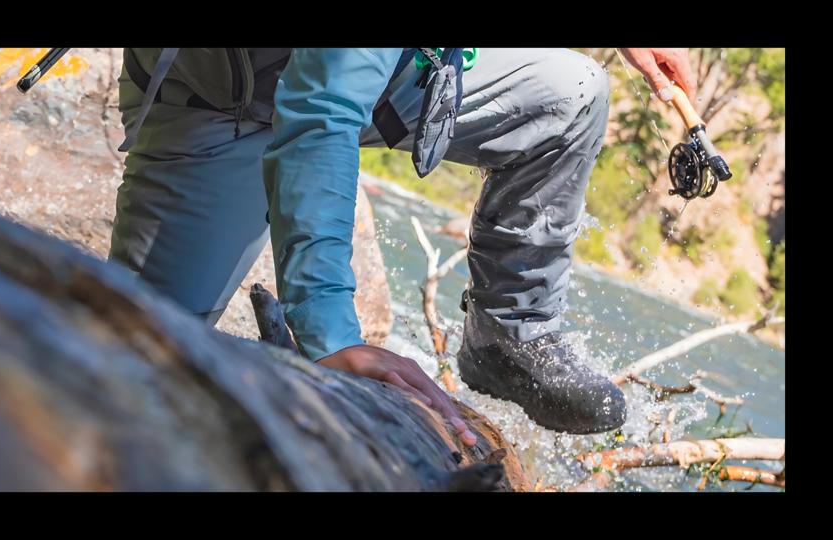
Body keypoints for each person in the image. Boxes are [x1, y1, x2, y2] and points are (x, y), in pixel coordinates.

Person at [109, 47, 697, 445]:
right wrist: (332, 340)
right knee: (129, 364)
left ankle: (509, 337)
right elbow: (320, 113)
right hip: (218, 108)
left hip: (377, 82)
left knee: (571, 91)